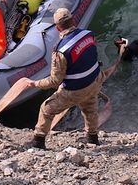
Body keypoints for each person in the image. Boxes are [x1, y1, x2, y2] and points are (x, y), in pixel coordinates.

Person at [23, 8, 123, 149]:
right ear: (73, 20)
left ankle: (38, 142)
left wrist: (35, 84)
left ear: (58, 28)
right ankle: (92, 139)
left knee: (47, 109)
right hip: (95, 81)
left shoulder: (60, 50)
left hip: (76, 90)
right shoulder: (89, 35)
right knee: (90, 109)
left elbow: (55, 81)